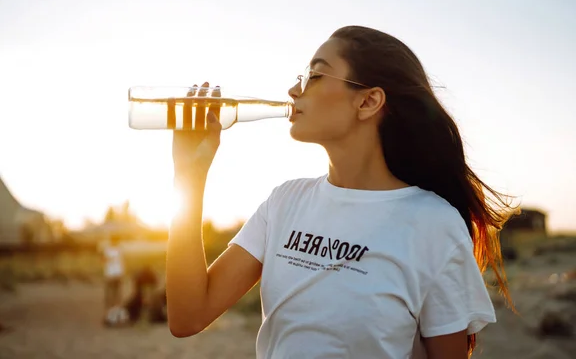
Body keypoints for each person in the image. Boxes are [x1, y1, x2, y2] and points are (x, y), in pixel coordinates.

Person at [166, 25, 516, 358]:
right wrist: (189, 174)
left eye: (315, 75)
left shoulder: (433, 223)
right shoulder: (284, 202)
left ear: (367, 102)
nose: (294, 90)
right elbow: (188, 316)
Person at [101, 234, 126, 326]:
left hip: (115, 274)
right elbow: (103, 260)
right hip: (112, 274)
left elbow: (122, 262)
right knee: (111, 296)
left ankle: (115, 314)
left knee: (116, 296)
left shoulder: (117, 250)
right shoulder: (110, 250)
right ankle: (111, 314)